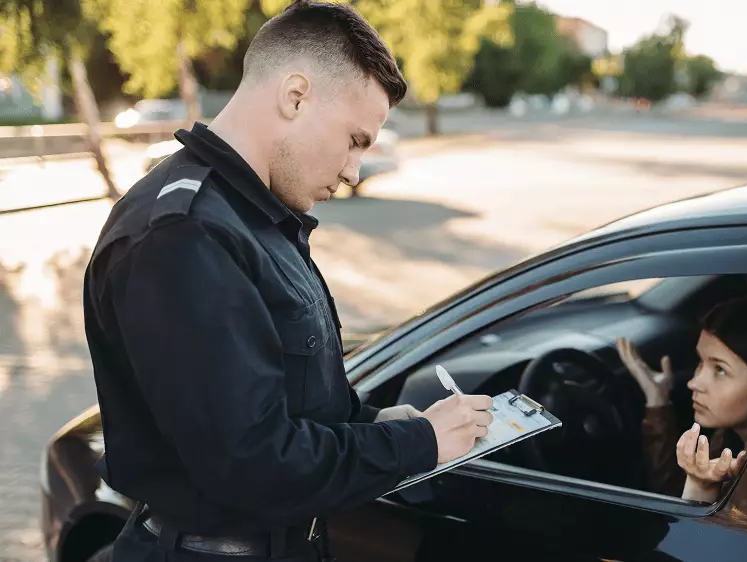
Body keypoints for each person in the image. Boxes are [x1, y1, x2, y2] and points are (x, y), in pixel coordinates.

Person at [83, 3, 493, 561]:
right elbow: (253, 465)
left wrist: (379, 424)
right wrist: (418, 444)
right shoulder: (183, 237)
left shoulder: (252, 216)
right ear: (295, 96)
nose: (353, 171)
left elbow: (284, 405)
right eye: (354, 139)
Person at [615, 295, 747, 503]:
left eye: (719, 370)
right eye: (701, 362)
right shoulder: (731, 436)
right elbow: (673, 494)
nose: (694, 383)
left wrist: (702, 489)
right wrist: (657, 399)